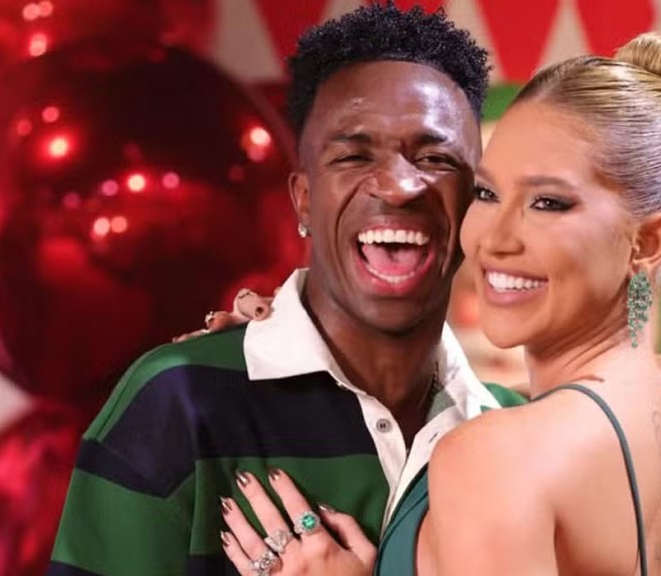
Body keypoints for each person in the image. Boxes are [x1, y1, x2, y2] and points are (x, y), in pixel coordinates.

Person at [216, 32, 661, 576]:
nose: (493, 239)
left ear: (647, 242)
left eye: (548, 203)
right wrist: (297, 326)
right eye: (486, 193)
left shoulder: (491, 458)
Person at [47, 4, 528, 575]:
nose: (400, 186)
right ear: (303, 200)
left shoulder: (519, 435)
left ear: (477, 200)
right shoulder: (179, 401)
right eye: (354, 155)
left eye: (435, 157)